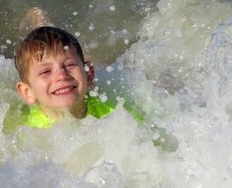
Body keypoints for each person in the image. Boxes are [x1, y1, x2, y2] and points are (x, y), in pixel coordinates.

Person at [13, 8, 143, 129]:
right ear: (27, 92)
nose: (61, 75)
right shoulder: (28, 130)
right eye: (46, 71)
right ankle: (39, 19)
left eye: (69, 65)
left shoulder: (116, 115)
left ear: (88, 75)